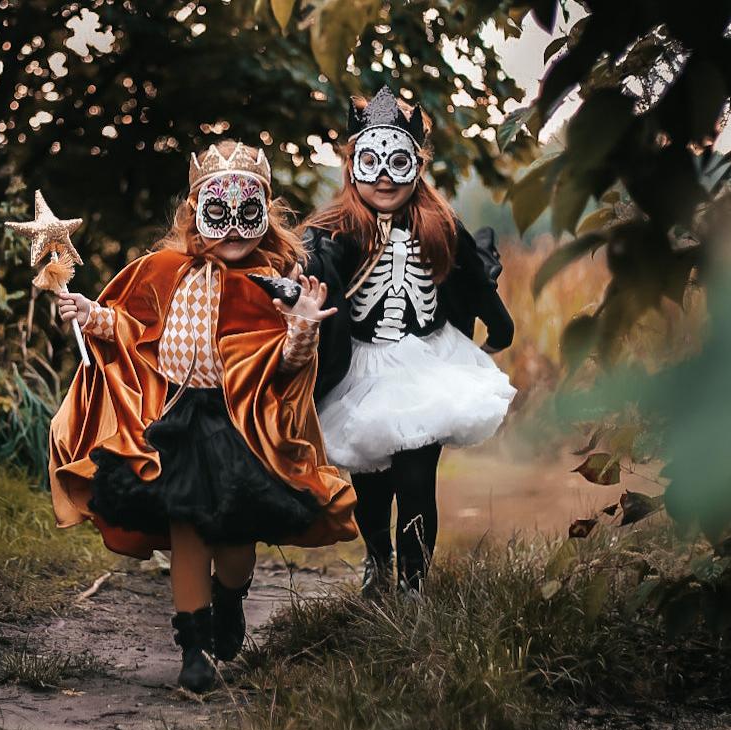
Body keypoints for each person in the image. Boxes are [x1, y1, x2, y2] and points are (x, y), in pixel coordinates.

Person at [49, 140, 356, 693]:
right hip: (176, 420)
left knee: (235, 537)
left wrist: (303, 326)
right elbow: (132, 326)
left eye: (248, 214)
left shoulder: (273, 285)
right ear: (196, 213)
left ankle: (230, 597)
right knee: (187, 523)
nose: (234, 229)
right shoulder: (163, 270)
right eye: (219, 213)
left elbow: (285, 366)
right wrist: (90, 315)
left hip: (243, 426)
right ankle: (193, 646)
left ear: (264, 217)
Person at [302, 86, 517, 597]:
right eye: (370, 163)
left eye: (396, 163)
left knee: (417, 481)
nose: (382, 177)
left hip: (426, 364)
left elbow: (474, 281)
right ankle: (378, 564)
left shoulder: (440, 226)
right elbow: (307, 274)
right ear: (353, 166)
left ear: (415, 167)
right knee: (372, 485)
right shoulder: (333, 231)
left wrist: (500, 327)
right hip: (361, 369)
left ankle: (414, 586)